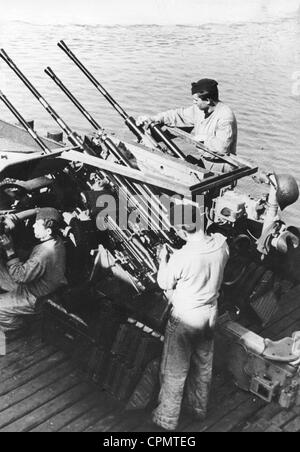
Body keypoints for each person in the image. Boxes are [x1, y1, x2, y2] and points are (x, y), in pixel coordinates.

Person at [152, 205, 229, 431]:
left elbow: (164, 283)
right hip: (210, 313)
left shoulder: (182, 256)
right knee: (203, 363)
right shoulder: (222, 245)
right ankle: (198, 408)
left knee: (174, 369)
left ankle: (166, 418)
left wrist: (163, 259)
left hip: (185, 317)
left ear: (182, 230)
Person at [137, 78, 237, 171]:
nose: (194, 103)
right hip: (205, 159)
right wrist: (154, 118)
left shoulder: (225, 117)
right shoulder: (199, 109)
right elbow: (178, 115)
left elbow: (222, 147)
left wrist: (203, 138)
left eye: (196, 100)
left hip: (221, 167)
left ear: (208, 100)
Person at [0, 207, 67, 331]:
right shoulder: (55, 241)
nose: (33, 227)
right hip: (37, 285)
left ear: (47, 231)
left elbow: (20, 276)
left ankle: (19, 324)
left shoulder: (44, 254)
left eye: (37, 225)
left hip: (34, 297)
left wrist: (9, 249)